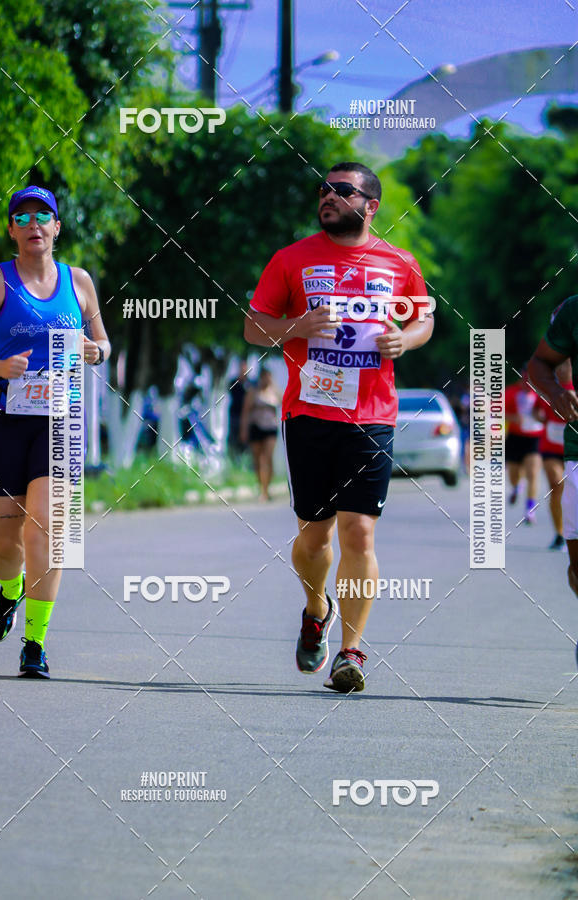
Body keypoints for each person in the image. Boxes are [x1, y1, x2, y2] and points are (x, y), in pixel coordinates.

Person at [244, 161, 434, 692]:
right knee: (314, 535)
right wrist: (295, 326)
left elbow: (423, 316)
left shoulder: (398, 262)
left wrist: (407, 339)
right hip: (308, 413)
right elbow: (253, 327)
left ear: (370, 206)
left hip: (372, 416)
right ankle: (315, 607)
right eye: (323, 190)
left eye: (341, 191)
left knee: (359, 530)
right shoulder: (292, 260)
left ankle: (351, 652)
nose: (326, 196)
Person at [0, 185, 111, 677]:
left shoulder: (78, 282)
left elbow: (102, 342)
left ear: (57, 227)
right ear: (11, 229)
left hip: (61, 419)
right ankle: (10, 591)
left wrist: (97, 352)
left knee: (50, 530)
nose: (34, 224)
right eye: (23, 217)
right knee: (2, 543)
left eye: (43, 216)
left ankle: (35, 642)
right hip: (0, 419)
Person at [528, 297, 578, 605]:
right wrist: (557, 395)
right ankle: (560, 531)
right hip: (568, 446)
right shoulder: (573, 311)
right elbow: (541, 363)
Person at [534, 360, 573, 550]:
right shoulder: (549, 389)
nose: (562, 370)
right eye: (559, 367)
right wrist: (540, 417)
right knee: (556, 484)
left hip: (572, 448)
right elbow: (536, 411)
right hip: (551, 445)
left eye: (566, 366)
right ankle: (559, 534)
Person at [505, 367, 543, 523]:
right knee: (514, 474)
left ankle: (530, 509)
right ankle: (516, 487)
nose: (528, 383)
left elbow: (550, 412)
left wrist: (542, 416)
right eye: (525, 379)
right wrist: (512, 417)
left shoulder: (542, 394)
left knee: (533, 473)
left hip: (535, 438)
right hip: (515, 437)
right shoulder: (511, 392)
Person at [240, 367, 281, 500]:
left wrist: (273, 385)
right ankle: (261, 487)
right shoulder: (253, 392)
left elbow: (283, 401)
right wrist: (244, 430)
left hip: (270, 427)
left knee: (268, 457)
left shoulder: (274, 391)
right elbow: (245, 412)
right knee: (258, 459)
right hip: (256, 426)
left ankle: (267, 488)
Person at [226, 360, 251, 458]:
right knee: (234, 437)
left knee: (245, 438)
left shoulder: (250, 383)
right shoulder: (234, 382)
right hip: (235, 413)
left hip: (247, 415)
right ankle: (233, 457)